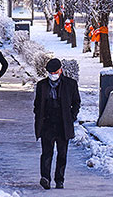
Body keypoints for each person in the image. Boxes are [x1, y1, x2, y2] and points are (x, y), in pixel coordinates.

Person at [33, 58, 80, 190]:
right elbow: (37, 104)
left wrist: (71, 117)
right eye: (50, 72)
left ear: (61, 70)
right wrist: (39, 115)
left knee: (62, 153)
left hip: (63, 124)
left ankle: (59, 180)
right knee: (46, 153)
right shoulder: (42, 85)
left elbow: (76, 102)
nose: (53, 74)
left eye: (55, 72)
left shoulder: (70, 84)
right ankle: (45, 178)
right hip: (47, 123)